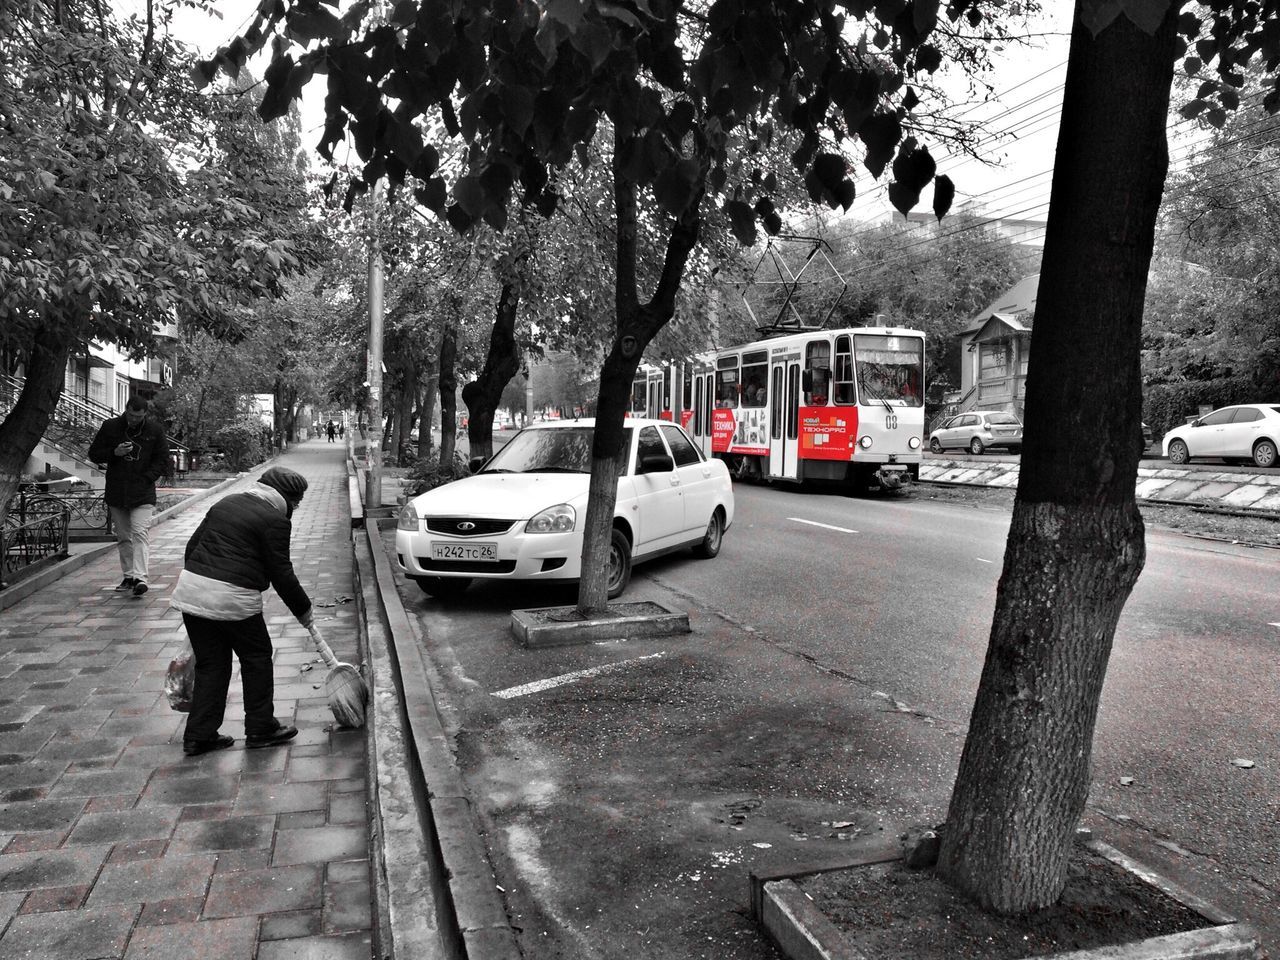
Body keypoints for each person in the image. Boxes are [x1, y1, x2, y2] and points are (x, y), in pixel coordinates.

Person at [169, 466, 314, 756]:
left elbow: (192, 547)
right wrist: (304, 610)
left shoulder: (226, 502)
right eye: (296, 502)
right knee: (257, 657)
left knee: (211, 665)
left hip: (192, 592)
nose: (296, 508)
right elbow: (281, 573)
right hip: (233, 599)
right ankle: (261, 728)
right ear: (286, 497)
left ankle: (199, 736)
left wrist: (202, 585)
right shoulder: (274, 519)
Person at [88, 396, 169, 597]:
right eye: (131, 415)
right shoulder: (110, 427)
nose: (134, 420)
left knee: (140, 532)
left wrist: (148, 477)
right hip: (117, 490)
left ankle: (141, 578)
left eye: (138, 417)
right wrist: (114, 452)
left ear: (145, 415)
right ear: (126, 410)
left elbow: (162, 459)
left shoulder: (154, 430)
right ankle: (129, 575)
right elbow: (94, 454)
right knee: (124, 537)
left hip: (143, 491)